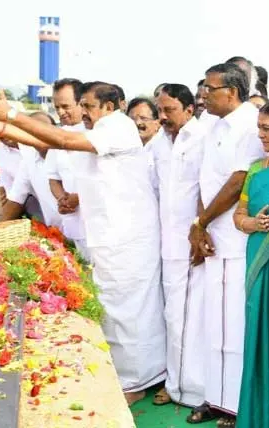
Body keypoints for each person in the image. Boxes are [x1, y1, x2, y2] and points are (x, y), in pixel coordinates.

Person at [0, 83, 165, 406]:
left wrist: (11, 114)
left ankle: (138, 381)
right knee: (112, 308)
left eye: (89, 105)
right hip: (108, 235)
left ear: (110, 107)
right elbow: (45, 141)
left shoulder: (119, 128)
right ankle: (120, 376)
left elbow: (62, 139)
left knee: (131, 311)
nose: (83, 112)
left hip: (129, 237)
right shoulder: (96, 129)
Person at [187, 62, 265, 427]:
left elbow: (237, 183)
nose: (203, 95)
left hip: (238, 241)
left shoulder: (250, 124)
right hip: (213, 238)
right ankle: (215, 399)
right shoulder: (214, 125)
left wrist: (202, 222)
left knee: (236, 325)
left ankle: (237, 404)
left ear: (231, 93)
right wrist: (200, 227)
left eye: (210, 89)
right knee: (214, 323)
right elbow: (206, 179)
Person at [147, 83, 207, 409]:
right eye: (160, 110)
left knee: (191, 317)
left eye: (169, 110)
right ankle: (175, 383)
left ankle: (192, 389)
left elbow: (207, 189)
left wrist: (200, 230)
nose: (163, 116)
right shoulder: (158, 142)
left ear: (188, 109)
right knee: (172, 316)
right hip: (165, 245)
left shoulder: (201, 139)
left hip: (194, 244)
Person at [232, 103, 269, 428]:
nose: (262, 135)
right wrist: (253, 224)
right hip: (258, 262)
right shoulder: (256, 170)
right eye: (260, 128)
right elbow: (238, 217)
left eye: (267, 129)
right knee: (258, 336)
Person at [46, 78, 90, 259]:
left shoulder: (94, 132)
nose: (61, 113)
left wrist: (79, 198)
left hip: (97, 225)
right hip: (72, 224)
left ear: (81, 104)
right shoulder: (57, 135)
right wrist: (62, 199)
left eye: (66, 106)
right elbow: (53, 178)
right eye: (57, 108)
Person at [2, 112, 63, 229]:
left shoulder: (68, 154)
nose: (40, 134)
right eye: (33, 131)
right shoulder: (28, 161)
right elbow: (15, 200)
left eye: (44, 130)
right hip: (59, 236)